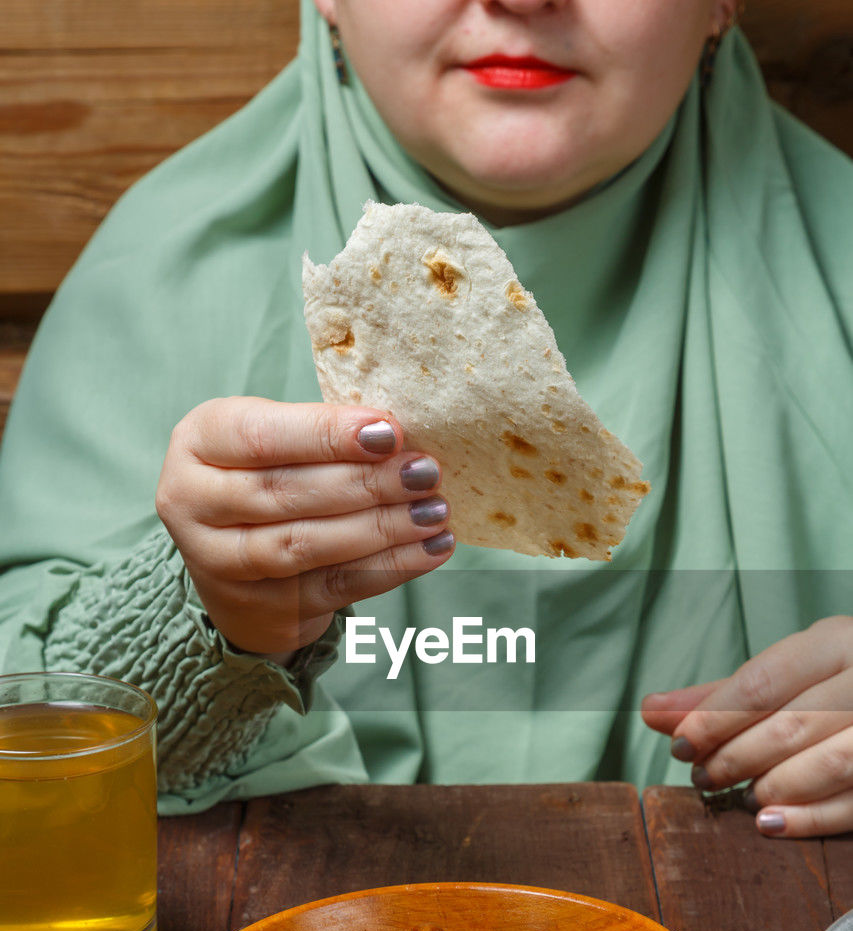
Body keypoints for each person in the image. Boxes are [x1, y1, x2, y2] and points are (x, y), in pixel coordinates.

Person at [1, 0, 852, 836]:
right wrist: (211, 616)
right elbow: (31, 745)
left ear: (720, 5)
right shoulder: (152, 280)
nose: (522, 0)